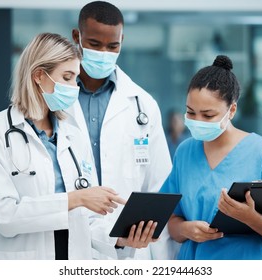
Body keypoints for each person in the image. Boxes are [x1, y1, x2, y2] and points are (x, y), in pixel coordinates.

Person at [0, 32, 125, 260]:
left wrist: (119, 238)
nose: (75, 87)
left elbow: (87, 220)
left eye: (76, 79)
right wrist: (77, 198)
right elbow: (5, 216)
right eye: (67, 77)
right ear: (39, 76)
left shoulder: (74, 136)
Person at [160, 55, 262, 260]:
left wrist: (251, 218)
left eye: (208, 115)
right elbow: (173, 221)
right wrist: (186, 229)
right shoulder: (185, 152)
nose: (197, 121)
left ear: (232, 110)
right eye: (190, 112)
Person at [67, 1, 174, 259]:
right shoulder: (57, 98)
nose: (104, 52)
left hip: (130, 249)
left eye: (113, 46)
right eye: (94, 44)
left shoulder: (143, 104)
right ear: (76, 37)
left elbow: (159, 185)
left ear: (122, 41)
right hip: (71, 242)